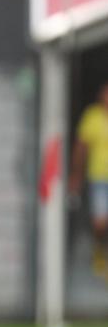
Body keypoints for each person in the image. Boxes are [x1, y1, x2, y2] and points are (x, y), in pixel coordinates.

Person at [71, 82, 108, 278]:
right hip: (99, 177)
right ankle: (100, 252)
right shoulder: (93, 117)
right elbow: (81, 147)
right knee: (100, 222)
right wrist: (76, 174)